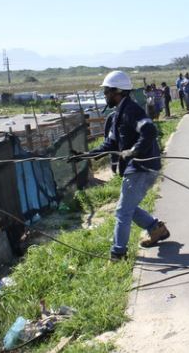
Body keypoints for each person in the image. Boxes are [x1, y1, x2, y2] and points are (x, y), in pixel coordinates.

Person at [69, 70, 170, 260]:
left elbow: (149, 131)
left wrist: (134, 151)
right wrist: (86, 155)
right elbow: (111, 143)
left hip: (142, 167)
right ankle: (156, 229)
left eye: (107, 92)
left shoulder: (131, 111)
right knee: (127, 208)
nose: (105, 95)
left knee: (123, 211)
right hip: (136, 167)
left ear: (117, 91)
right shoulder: (119, 114)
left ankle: (118, 254)